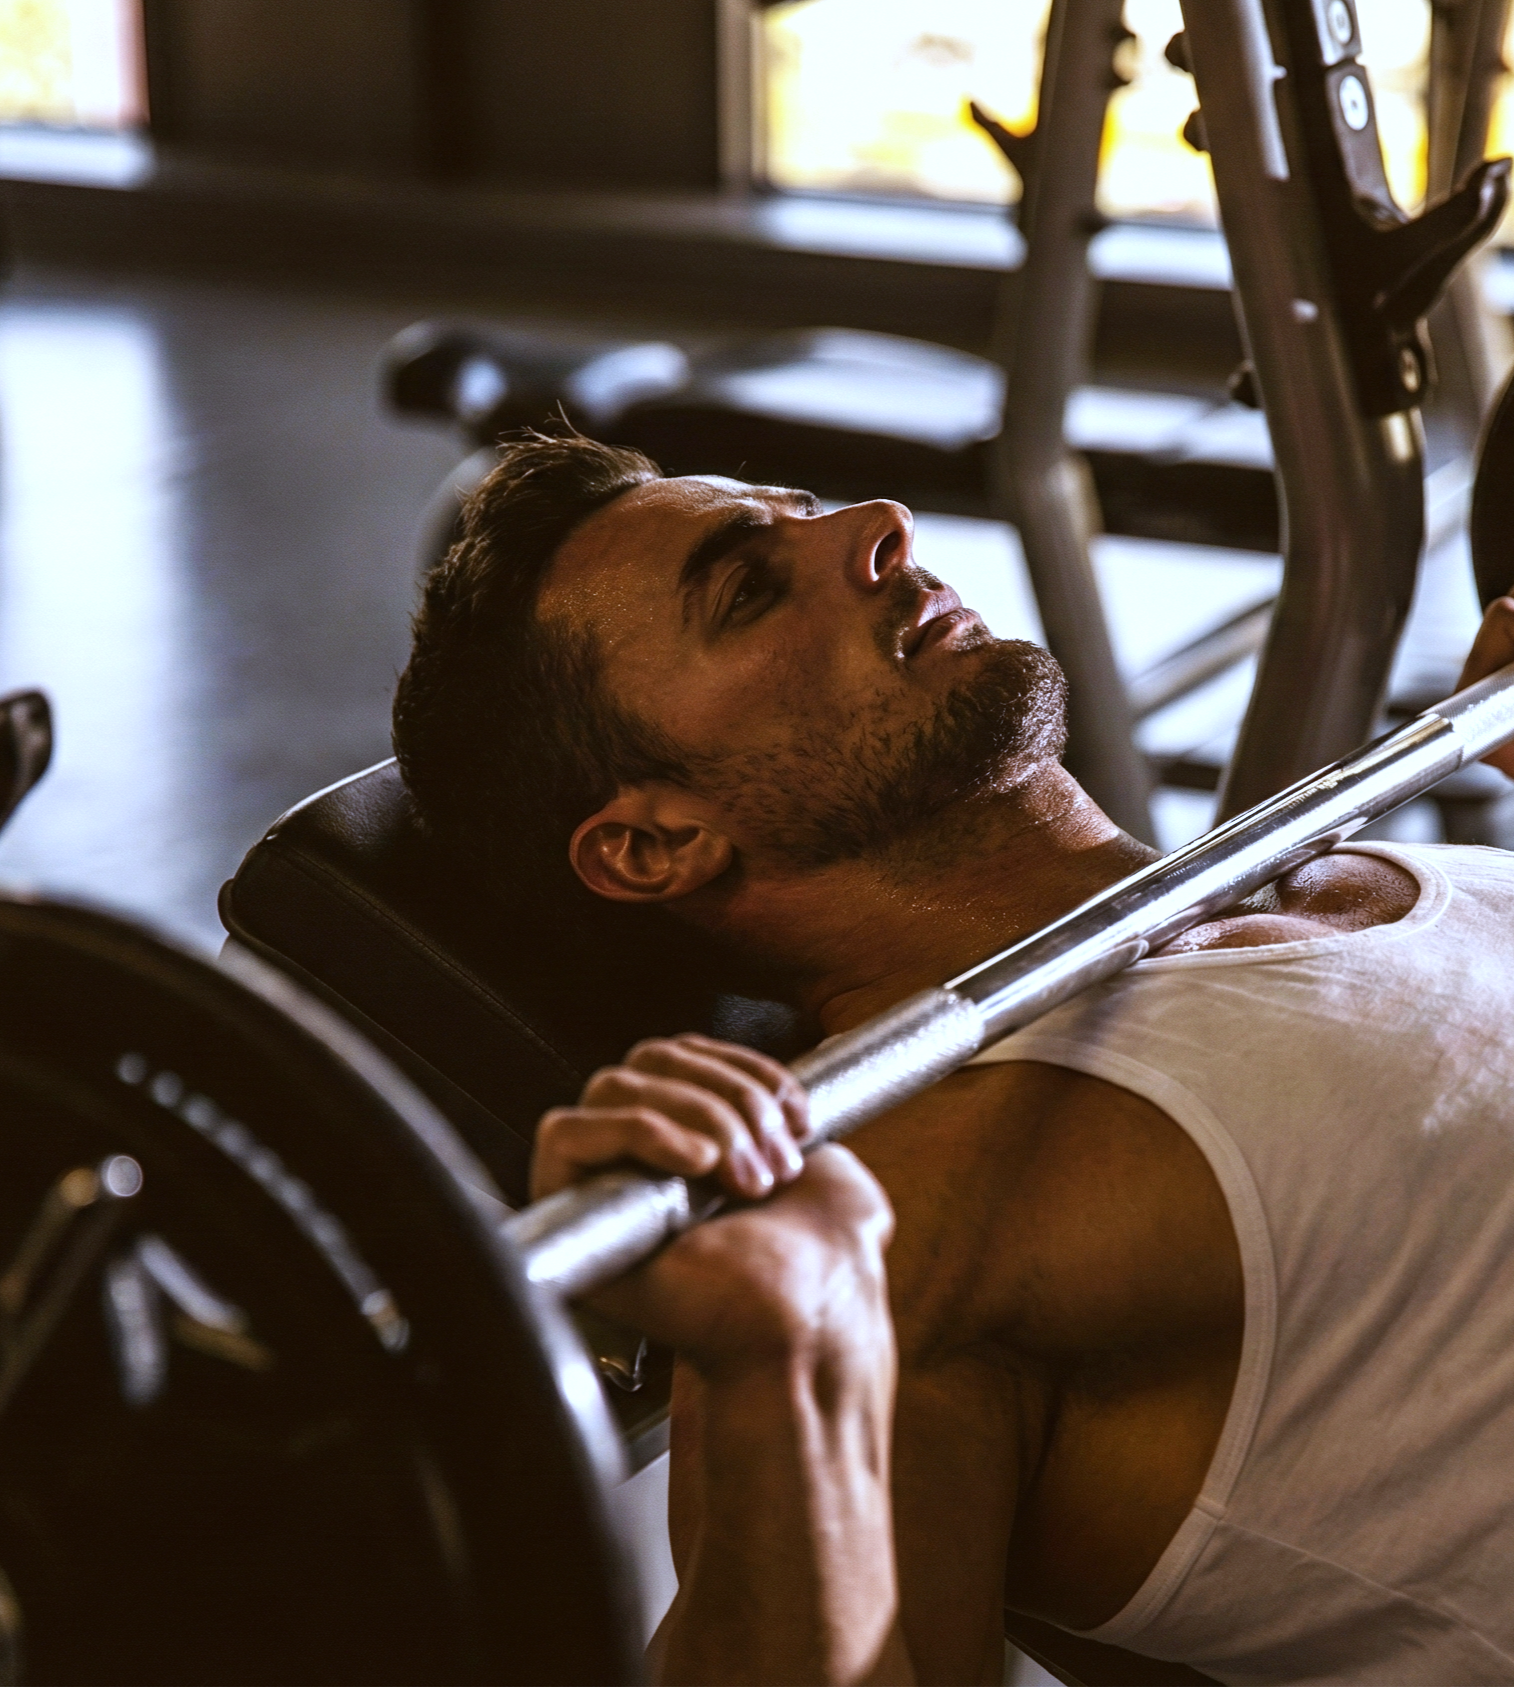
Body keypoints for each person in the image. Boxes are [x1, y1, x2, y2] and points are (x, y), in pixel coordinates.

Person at [392, 431, 1514, 1686]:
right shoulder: (899, 1221)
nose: (879, 520)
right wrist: (781, 1372)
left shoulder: (1372, 855)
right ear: (654, 843)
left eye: (808, 509)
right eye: (749, 589)